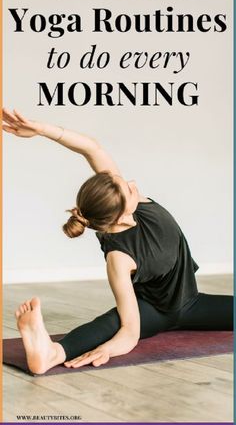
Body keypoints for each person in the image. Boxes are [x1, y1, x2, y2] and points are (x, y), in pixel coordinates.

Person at [2, 108, 233, 375]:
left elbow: (92, 148)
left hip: (192, 302)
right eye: (129, 188)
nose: (133, 184)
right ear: (121, 215)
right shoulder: (118, 259)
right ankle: (51, 353)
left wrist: (41, 129)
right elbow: (130, 331)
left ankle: (50, 351)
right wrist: (109, 348)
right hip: (152, 312)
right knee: (111, 322)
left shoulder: (125, 203)